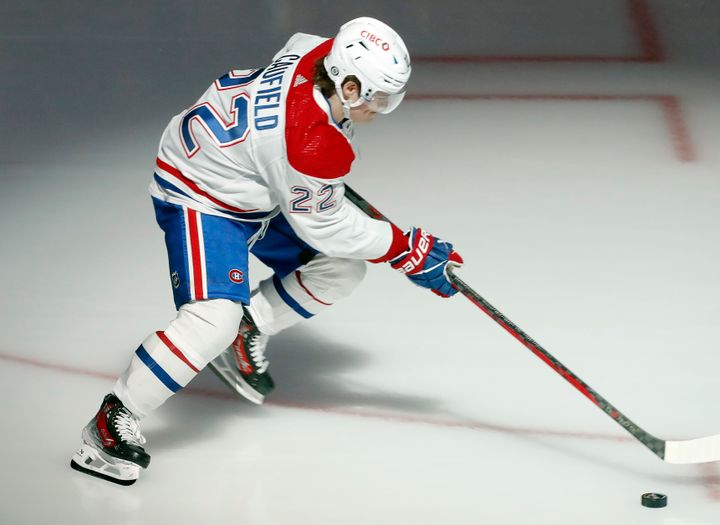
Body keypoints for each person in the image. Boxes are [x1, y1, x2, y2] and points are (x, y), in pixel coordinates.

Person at [69, 16, 463, 486]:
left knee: (340, 272)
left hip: (248, 179)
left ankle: (249, 327)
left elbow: (292, 70)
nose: (380, 108)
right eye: (377, 96)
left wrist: (305, 180)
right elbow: (327, 225)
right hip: (201, 194)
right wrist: (407, 250)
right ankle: (110, 424)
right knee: (213, 319)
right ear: (349, 84)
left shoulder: (315, 52)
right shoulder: (310, 144)